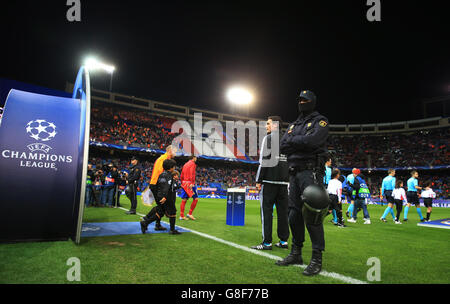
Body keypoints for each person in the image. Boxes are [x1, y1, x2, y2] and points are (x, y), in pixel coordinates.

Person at [277, 89, 330, 276]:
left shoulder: (320, 121)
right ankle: (296, 252)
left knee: (313, 215)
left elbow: (314, 141)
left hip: (311, 171)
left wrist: (295, 141)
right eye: (299, 99)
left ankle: (317, 258)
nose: (301, 102)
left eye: (305, 100)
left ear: (312, 102)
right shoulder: (293, 124)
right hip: (294, 173)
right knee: (293, 215)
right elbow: (282, 146)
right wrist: (301, 142)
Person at [251, 116, 289, 250]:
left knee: (266, 212)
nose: (266, 126)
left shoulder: (267, 138)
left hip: (269, 181)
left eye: (268, 124)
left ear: (275, 125)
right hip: (284, 183)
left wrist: (259, 180)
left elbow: (264, 161)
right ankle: (284, 241)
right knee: (283, 213)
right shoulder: (288, 139)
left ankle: (267, 242)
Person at [140, 159, 182, 235]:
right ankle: (172, 230)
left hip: (160, 195)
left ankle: (146, 222)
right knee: (173, 212)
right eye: (174, 166)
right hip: (166, 197)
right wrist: (165, 196)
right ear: (171, 167)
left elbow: (160, 186)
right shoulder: (169, 175)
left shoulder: (161, 174)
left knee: (160, 212)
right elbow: (166, 187)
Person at [149, 145, 177, 229]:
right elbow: (163, 173)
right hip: (158, 185)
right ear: (170, 151)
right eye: (175, 151)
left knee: (161, 207)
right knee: (162, 207)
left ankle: (154, 223)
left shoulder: (163, 158)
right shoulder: (164, 159)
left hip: (156, 184)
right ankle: (146, 220)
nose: (175, 153)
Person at [179, 155, 199, 220]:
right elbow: (192, 174)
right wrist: (192, 182)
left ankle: (181, 215)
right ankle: (190, 214)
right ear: (193, 158)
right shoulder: (193, 164)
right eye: (196, 158)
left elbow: (182, 174)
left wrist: (182, 182)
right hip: (190, 183)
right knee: (195, 198)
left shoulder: (185, 164)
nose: (196, 159)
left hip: (184, 183)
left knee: (184, 199)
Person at [323, 156, 337, 224]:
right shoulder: (329, 170)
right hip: (328, 187)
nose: (331, 163)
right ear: (327, 162)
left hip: (322, 187)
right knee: (332, 203)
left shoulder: (321, 168)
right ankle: (335, 218)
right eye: (330, 162)